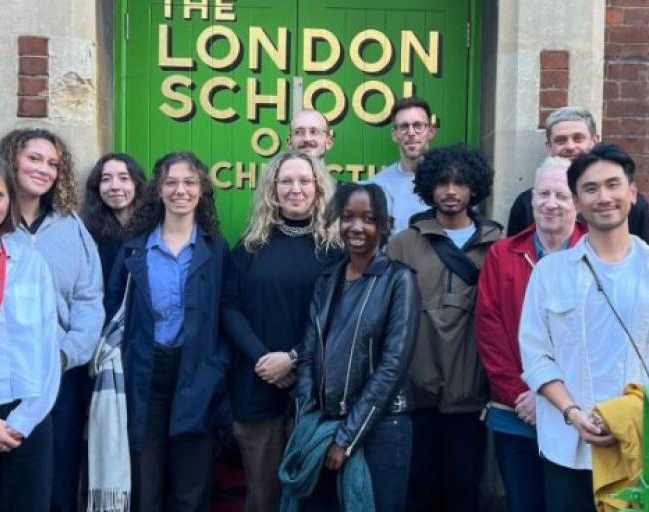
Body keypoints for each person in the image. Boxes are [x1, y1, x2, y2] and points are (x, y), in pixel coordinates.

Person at [519, 143, 649, 512]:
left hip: (644, 449)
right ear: (577, 201)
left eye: (613, 185)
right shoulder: (550, 275)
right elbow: (537, 355)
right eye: (590, 189)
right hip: (569, 450)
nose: (603, 197)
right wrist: (572, 414)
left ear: (632, 193)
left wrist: (631, 414)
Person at [106, 151, 234, 512]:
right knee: (144, 484)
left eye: (190, 182)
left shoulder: (215, 249)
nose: (181, 190)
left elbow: (227, 314)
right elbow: (113, 311)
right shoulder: (135, 249)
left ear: (202, 190)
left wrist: (216, 367)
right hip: (144, 374)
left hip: (197, 374)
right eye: (171, 182)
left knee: (191, 487)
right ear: (158, 191)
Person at [224, 151, 341, 512]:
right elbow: (228, 306)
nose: (295, 189)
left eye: (305, 181)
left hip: (316, 390)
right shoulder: (249, 246)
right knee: (263, 494)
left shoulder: (335, 250)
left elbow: (340, 316)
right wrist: (264, 359)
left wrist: (292, 358)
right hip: (255, 386)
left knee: (312, 493)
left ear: (319, 188)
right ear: (272, 190)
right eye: (286, 181)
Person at [386, 144, 501, 512]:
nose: (450, 191)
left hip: (472, 395)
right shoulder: (404, 244)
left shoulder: (496, 245)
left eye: (460, 183)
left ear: (474, 188)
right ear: (429, 187)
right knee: (416, 492)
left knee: (464, 492)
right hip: (417, 395)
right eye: (442, 182)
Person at [0, 128, 104, 512]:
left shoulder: (70, 227)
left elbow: (89, 300)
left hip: (59, 375)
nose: (44, 169)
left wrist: (65, 354)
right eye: (34, 158)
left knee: (57, 483)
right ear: (12, 160)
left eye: (53, 163)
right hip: (0, 377)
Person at [294, 183, 419, 512]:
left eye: (368, 218)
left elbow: (392, 368)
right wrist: (309, 422)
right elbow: (308, 355)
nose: (356, 226)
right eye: (348, 217)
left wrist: (347, 438)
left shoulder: (398, 280)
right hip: (326, 427)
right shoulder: (327, 280)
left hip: (381, 430)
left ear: (383, 225)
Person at [476, 156, 587, 512]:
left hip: (582, 414)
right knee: (524, 504)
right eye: (543, 194)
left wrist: (557, 402)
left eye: (561, 195)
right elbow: (490, 332)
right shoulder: (502, 255)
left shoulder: (595, 255)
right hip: (517, 412)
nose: (551, 203)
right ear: (532, 199)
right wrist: (527, 396)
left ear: (577, 203)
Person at [0, 152, 60, 511]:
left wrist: (24, 419)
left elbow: (48, 348)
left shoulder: (29, 262)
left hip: (28, 418)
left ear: (9, 200)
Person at [506, 107, 649, 244]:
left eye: (578, 138)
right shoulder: (526, 204)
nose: (570, 147)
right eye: (560, 140)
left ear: (595, 141)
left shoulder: (630, 203)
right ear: (549, 147)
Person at [368, 96, 437, 235]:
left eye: (418, 126)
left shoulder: (451, 184)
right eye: (404, 126)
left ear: (430, 131)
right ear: (395, 134)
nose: (411, 133)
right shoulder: (377, 186)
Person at [82, 152, 148, 279]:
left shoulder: (153, 228)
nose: (115, 187)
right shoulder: (87, 232)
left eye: (124, 178)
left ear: (136, 184)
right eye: (106, 179)